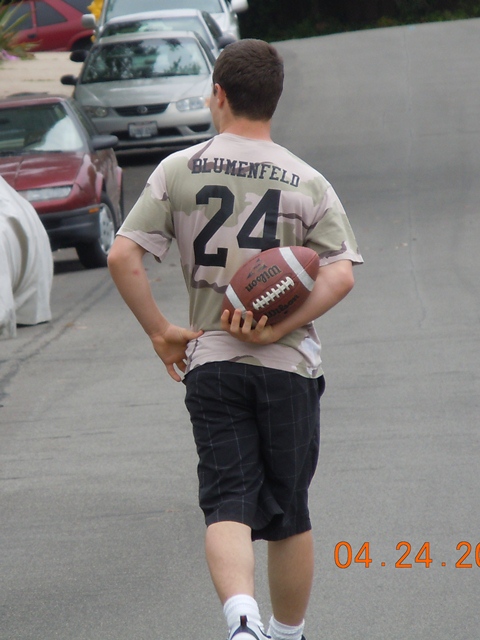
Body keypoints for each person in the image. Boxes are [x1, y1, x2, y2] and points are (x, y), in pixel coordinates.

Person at [108, 38, 363, 640]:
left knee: (228, 501)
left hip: (213, 363)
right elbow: (341, 274)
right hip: (288, 368)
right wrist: (279, 327)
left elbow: (123, 256)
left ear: (218, 94)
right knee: (289, 512)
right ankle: (286, 634)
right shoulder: (309, 180)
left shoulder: (177, 169)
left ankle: (241, 620)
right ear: (274, 99)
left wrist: (162, 333)